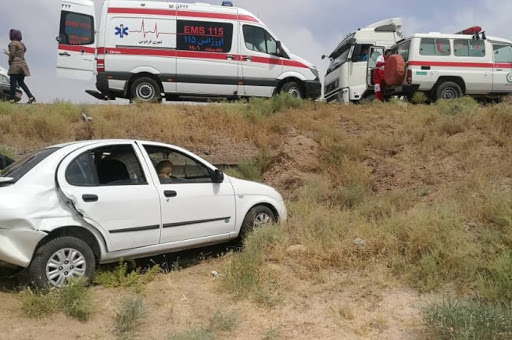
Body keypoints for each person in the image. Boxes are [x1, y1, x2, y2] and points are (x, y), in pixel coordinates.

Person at [3, 29, 35, 104]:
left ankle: (11, 99)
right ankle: (31, 97)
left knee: (13, 83)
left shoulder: (12, 43)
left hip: (15, 65)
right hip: (23, 65)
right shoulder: (22, 44)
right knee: (21, 82)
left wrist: (10, 61)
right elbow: (22, 51)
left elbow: (12, 55)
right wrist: (12, 54)